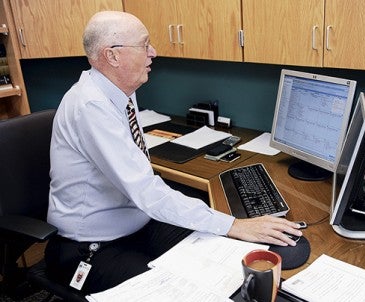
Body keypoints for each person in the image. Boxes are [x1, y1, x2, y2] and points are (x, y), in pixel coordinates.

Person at [45, 10, 303, 294]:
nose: (153, 52)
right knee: (180, 291)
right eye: (144, 45)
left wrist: (229, 228)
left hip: (137, 223)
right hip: (91, 247)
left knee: (218, 255)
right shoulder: (90, 106)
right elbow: (146, 190)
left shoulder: (119, 91)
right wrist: (234, 224)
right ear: (113, 56)